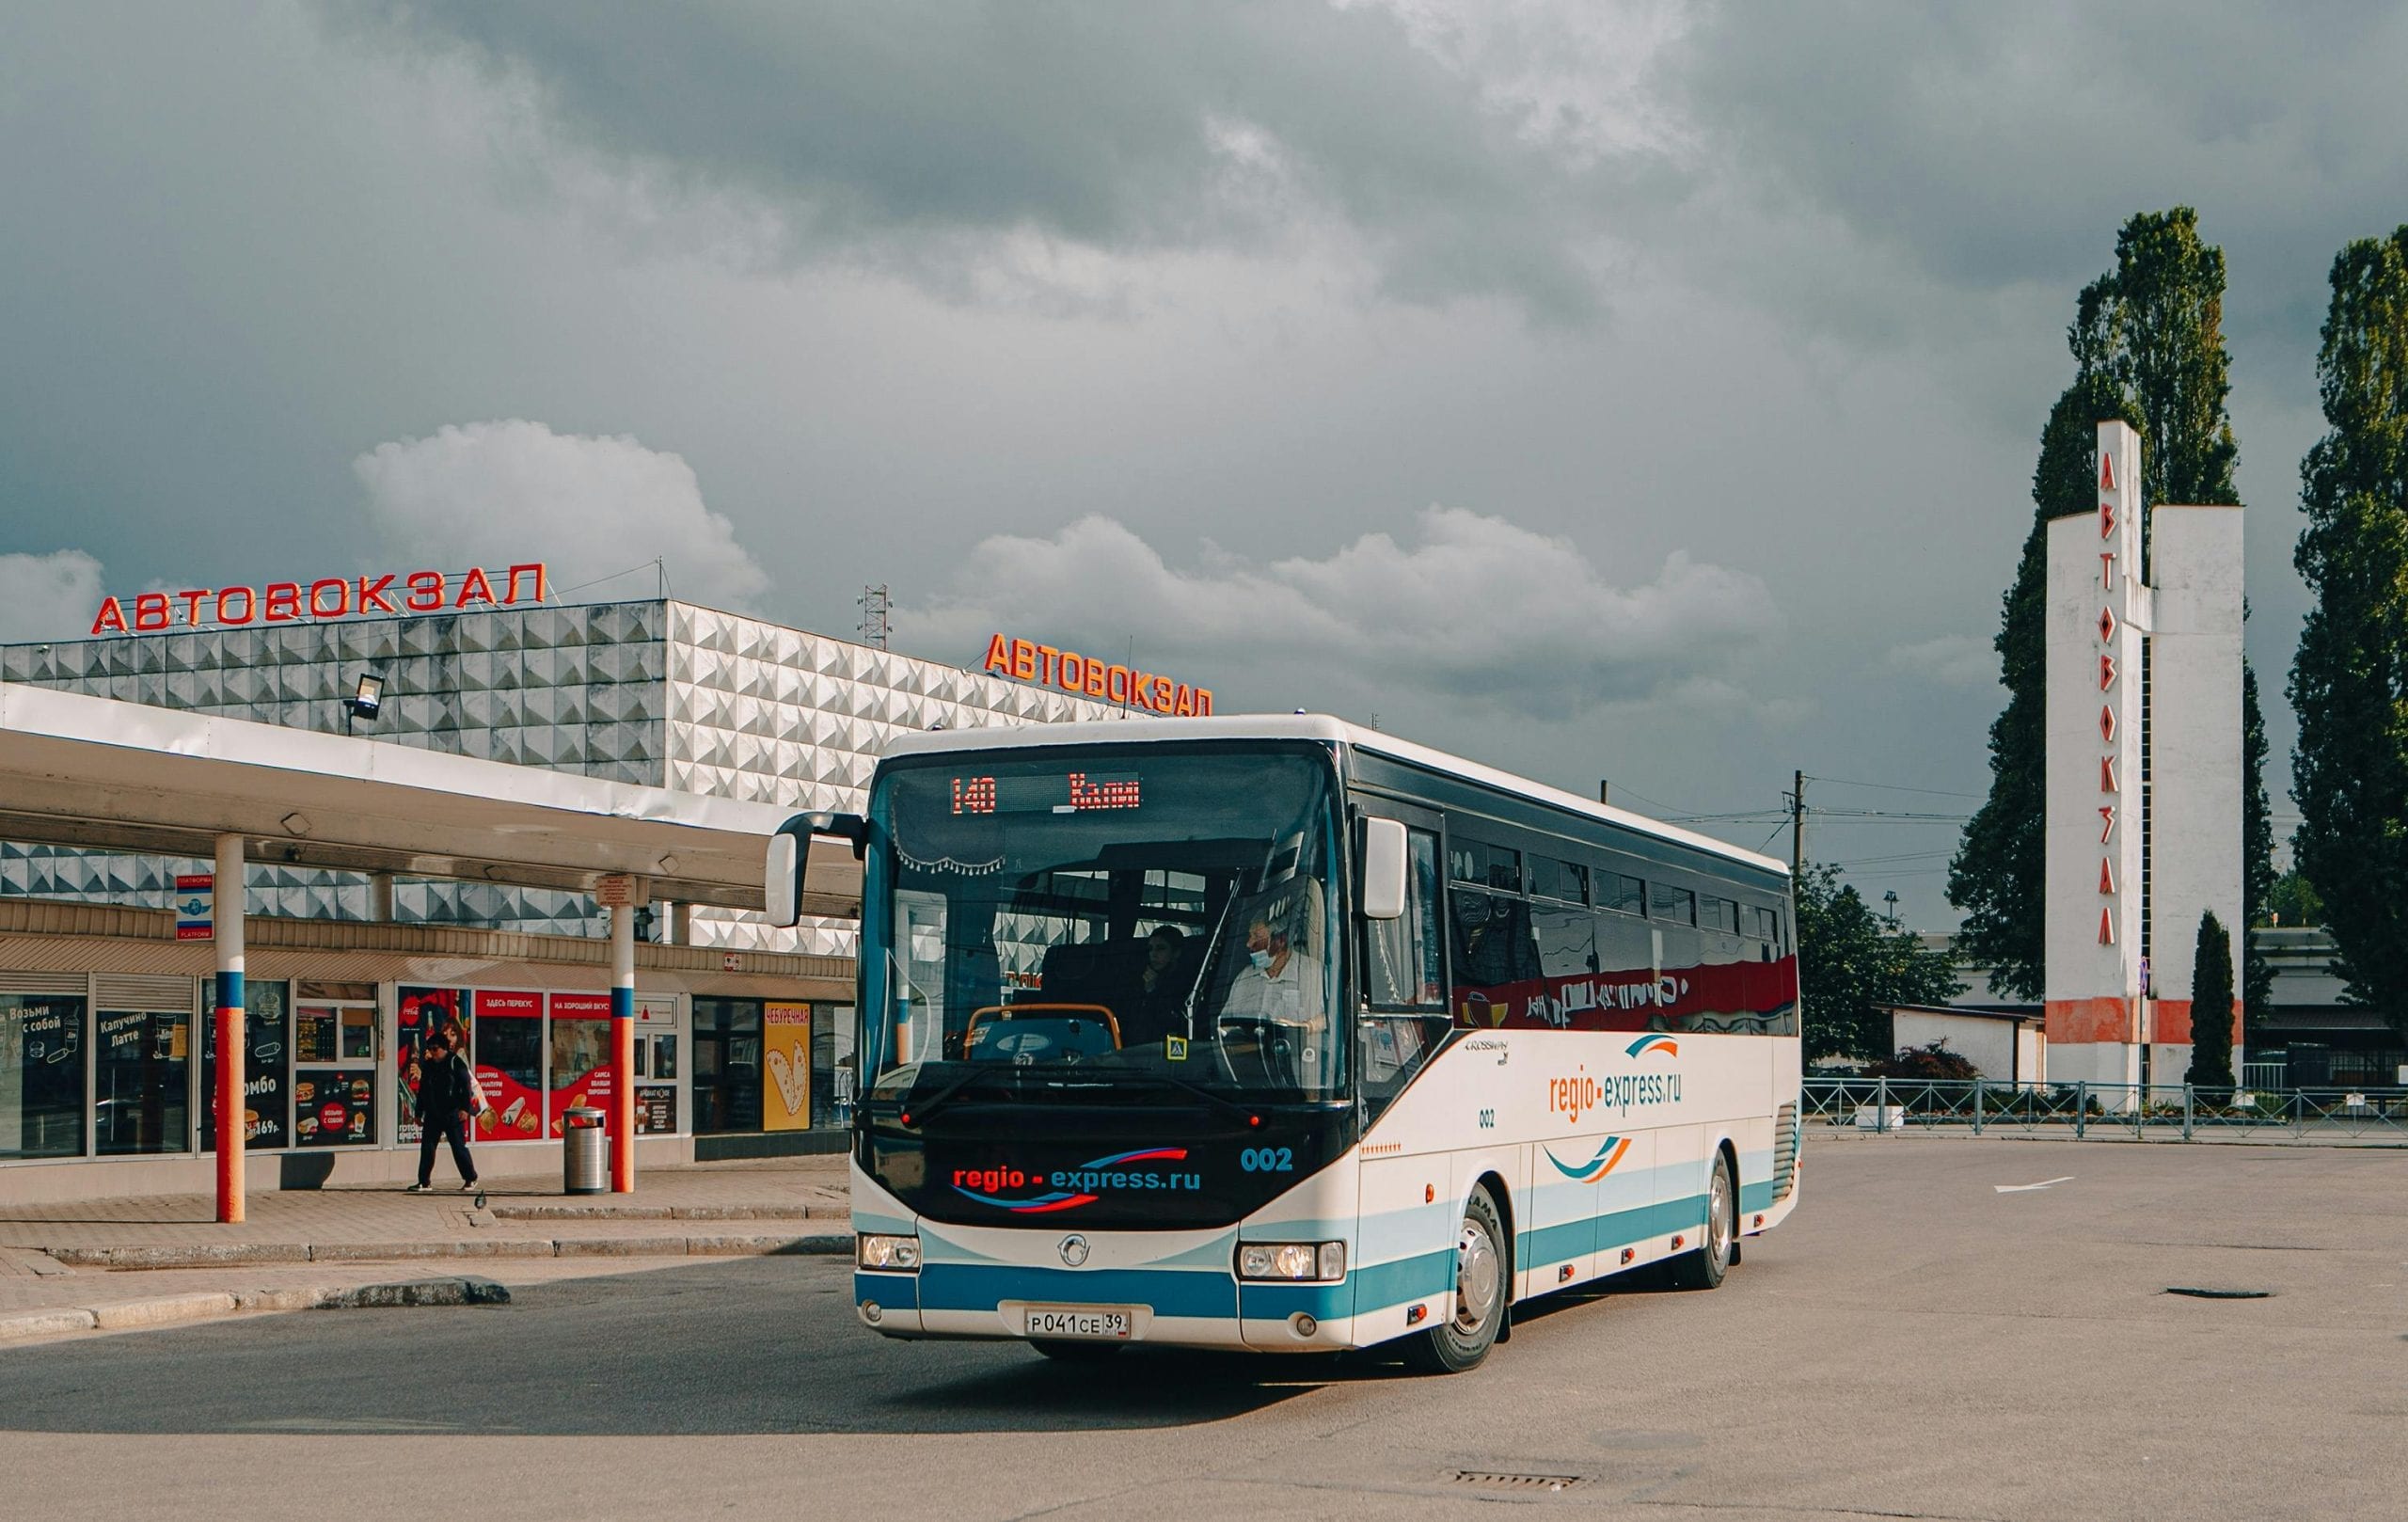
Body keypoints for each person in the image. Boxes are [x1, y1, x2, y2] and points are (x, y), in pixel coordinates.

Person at [407, 1030, 485, 1193]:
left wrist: (465, 1108)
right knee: (427, 1147)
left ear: (444, 1049)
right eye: (429, 1049)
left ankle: (470, 1178)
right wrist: (418, 1112)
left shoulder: (455, 1063)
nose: (432, 1052)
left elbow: (466, 1087)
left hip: (452, 1112)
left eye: (435, 1049)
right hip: (433, 1113)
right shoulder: (428, 1066)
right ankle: (424, 1181)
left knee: (458, 1147)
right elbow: (423, 1091)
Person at [1219, 915, 1325, 1028]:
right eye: (1250, 936)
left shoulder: (1313, 973)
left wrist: (1305, 1026)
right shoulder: (1245, 977)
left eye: (1257, 937)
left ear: (1281, 941)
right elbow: (1225, 1024)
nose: (1249, 944)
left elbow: (1331, 1018)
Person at [1120, 926, 1190, 1046]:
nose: (1153, 954)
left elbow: (1170, 1021)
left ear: (1176, 953)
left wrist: (1152, 991)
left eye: (1161, 949)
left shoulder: (1184, 985)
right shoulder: (1139, 980)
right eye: (1150, 949)